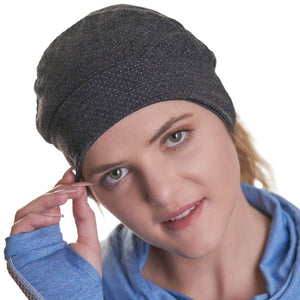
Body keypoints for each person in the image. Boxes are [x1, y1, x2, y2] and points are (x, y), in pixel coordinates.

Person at [4, 4, 300, 300]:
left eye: (174, 137)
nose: (161, 192)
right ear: (90, 195)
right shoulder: (88, 291)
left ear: (225, 119)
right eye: (116, 174)